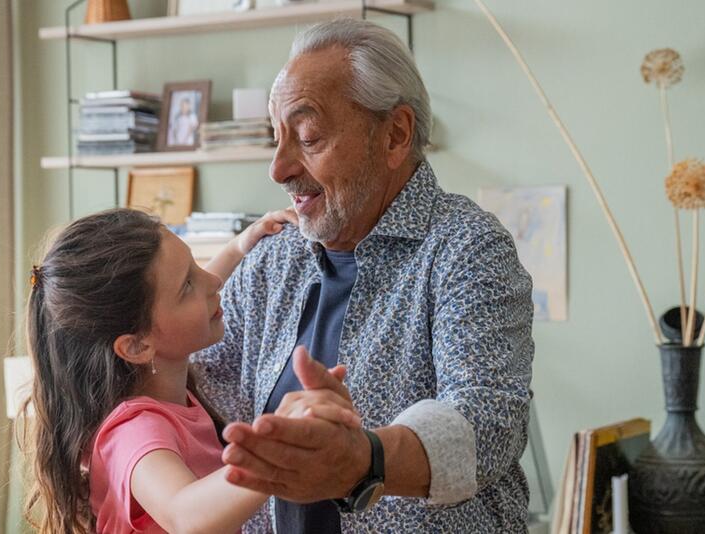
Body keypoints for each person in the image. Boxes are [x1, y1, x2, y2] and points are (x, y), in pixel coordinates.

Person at [192, 18, 535, 532]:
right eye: (276, 137)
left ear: (395, 134)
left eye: (308, 137)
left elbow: (484, 422)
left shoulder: (466, 246)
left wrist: (364, 459)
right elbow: (194, 378)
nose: (278, 168)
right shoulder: (272, 258)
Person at [20, 207, 360, 533]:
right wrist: (276, 454)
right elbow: (185, 516)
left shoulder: (161, 375)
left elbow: (175, 303)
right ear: (137, 346)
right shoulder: (135, 431)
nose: (212, 280)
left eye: (197, 265)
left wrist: (241, 244)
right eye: (187, 285)